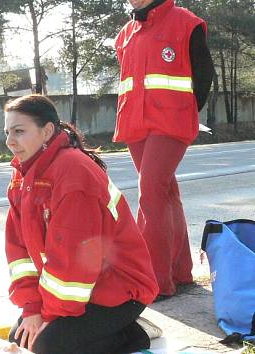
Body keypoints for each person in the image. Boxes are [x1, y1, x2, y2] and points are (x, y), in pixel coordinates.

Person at [3, 94, 161, 354]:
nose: (10, 141)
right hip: (80, 288)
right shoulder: (22, 176)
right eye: (7, 132)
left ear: (47, 132)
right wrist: (32, 308)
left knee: (46, 346)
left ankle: (135, 332)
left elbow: (73, 261)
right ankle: (99, 330)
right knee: (19, 339)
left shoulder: (73, 173)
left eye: (19, 131)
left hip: (118, 290)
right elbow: (18, 252)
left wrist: (49, 316)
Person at [114, 0, 214, 299]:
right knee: (165, 192)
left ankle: (154, 281)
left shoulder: (187, 23)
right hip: (135, 123)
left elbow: (204, 74)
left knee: (151, 189)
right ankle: (180, 273)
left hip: (171, 122)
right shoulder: (125, 34)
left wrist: (186, 111)